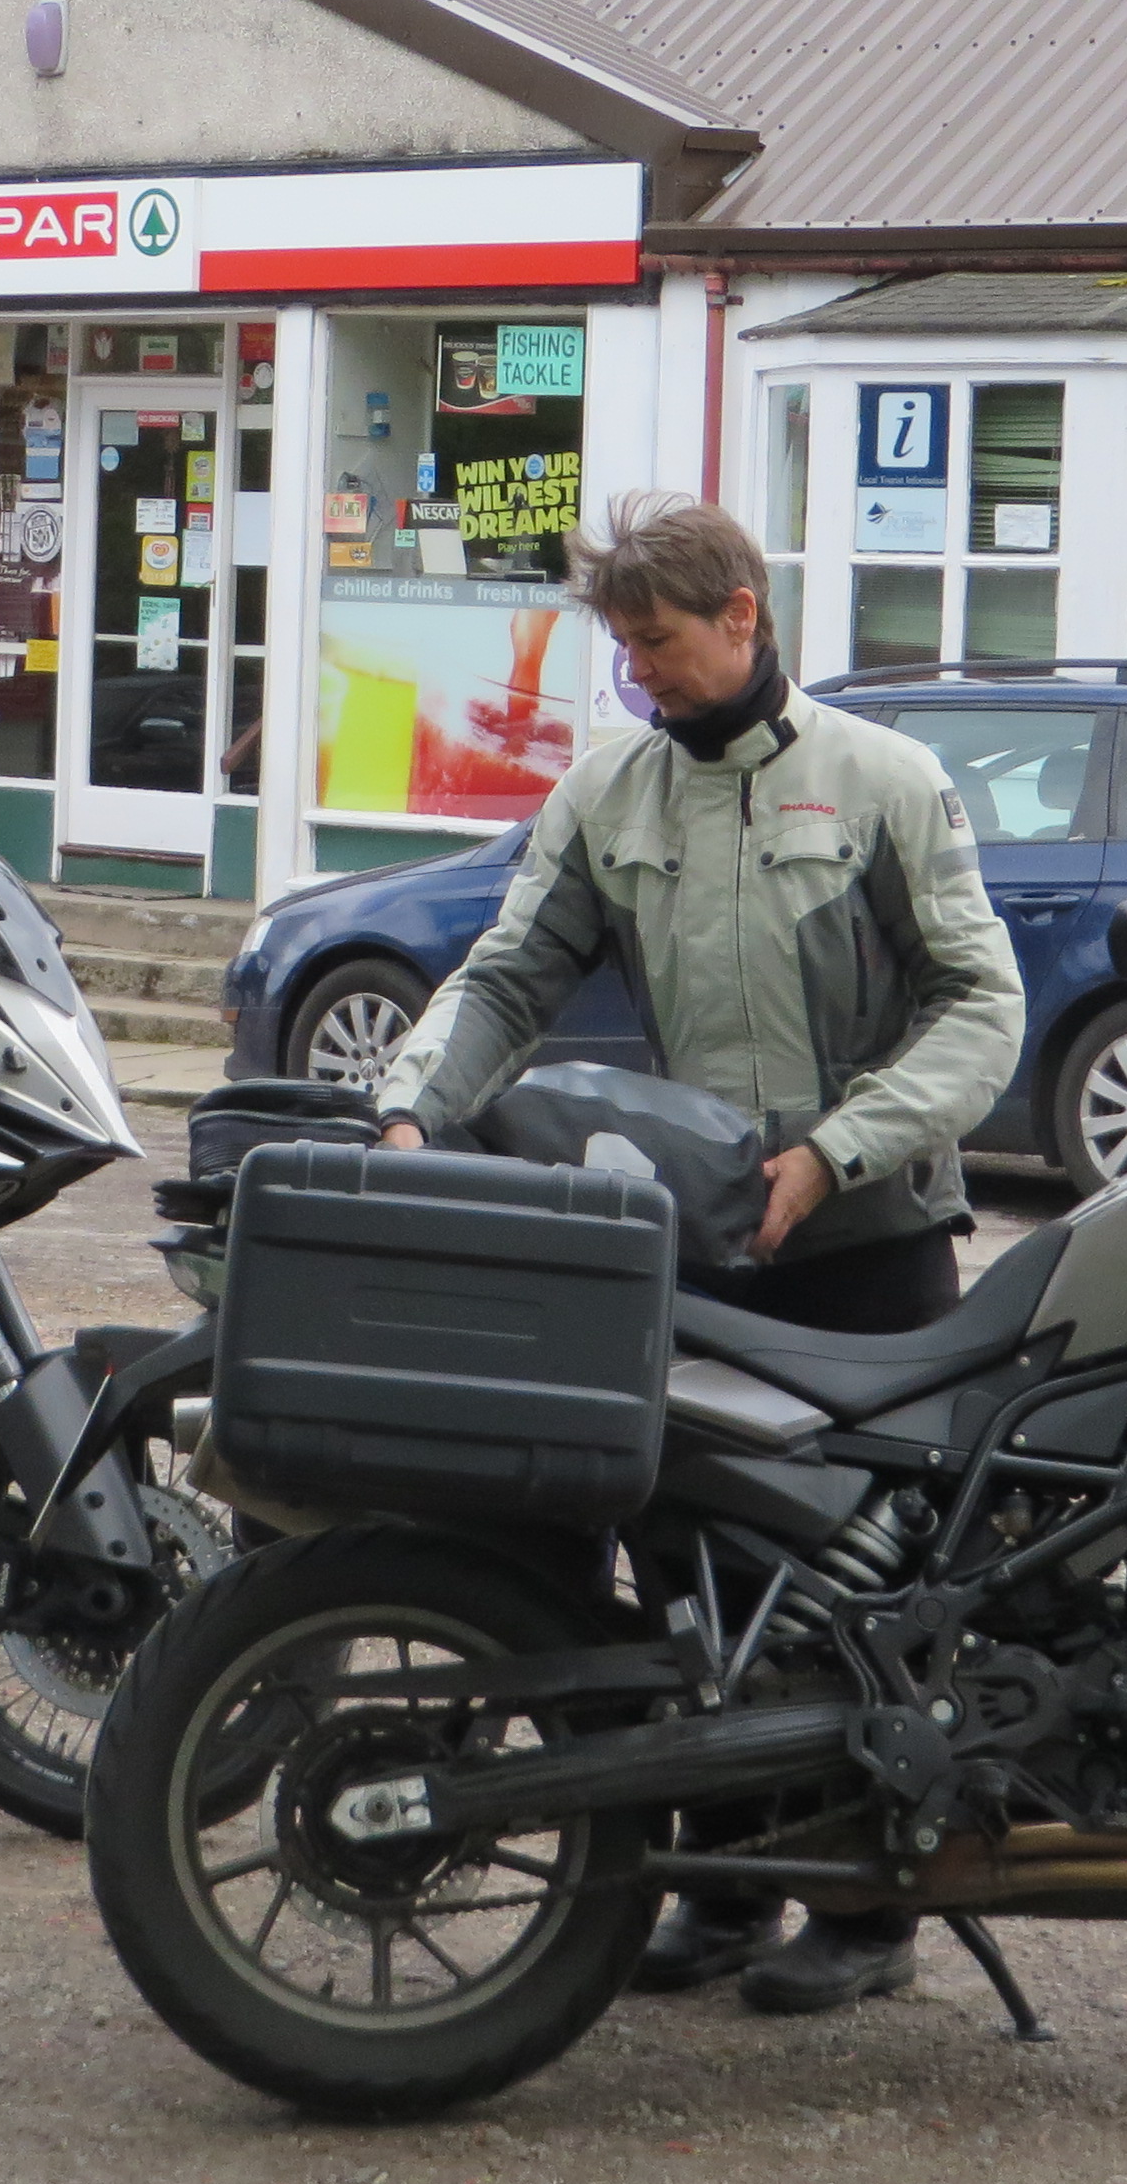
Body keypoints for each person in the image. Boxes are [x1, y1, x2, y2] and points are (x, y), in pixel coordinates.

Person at [372, 491, 1026, 2014]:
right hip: (693, 1241)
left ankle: (869, 1904)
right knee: (685, 1564)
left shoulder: (883, 780)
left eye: (657, 642)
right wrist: (408, 1114)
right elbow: (508, 976)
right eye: (622, 648)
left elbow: (982, 1006)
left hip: (867, 1243)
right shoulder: (610, 793)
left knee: (863, 1578)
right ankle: (726, 1882)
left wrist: (835, 1151)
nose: (638, 675)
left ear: (743, 615)